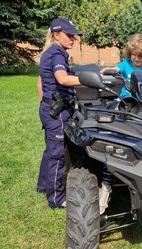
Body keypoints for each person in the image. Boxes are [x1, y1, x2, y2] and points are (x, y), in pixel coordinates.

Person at [36, 18, 82, 209]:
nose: (74, 39)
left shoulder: (52, 53)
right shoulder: (56, 54)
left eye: (74, 35)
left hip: (49, 109)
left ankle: (43, 186)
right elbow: (62, 79)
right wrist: (89, 80)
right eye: (69, 35)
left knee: (50, 150)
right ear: (56, 35)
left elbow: (40, 83)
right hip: (56, 111)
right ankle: (56, 199)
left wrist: (46, 104)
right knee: (57, 154)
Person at [100, 33, 142, 98]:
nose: (137, 59)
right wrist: (109, 69)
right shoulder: (126, 64)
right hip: (127, 98)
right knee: (118, 107)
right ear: (130, 53)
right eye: (134, 54)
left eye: (140, 56)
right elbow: (116, 69)